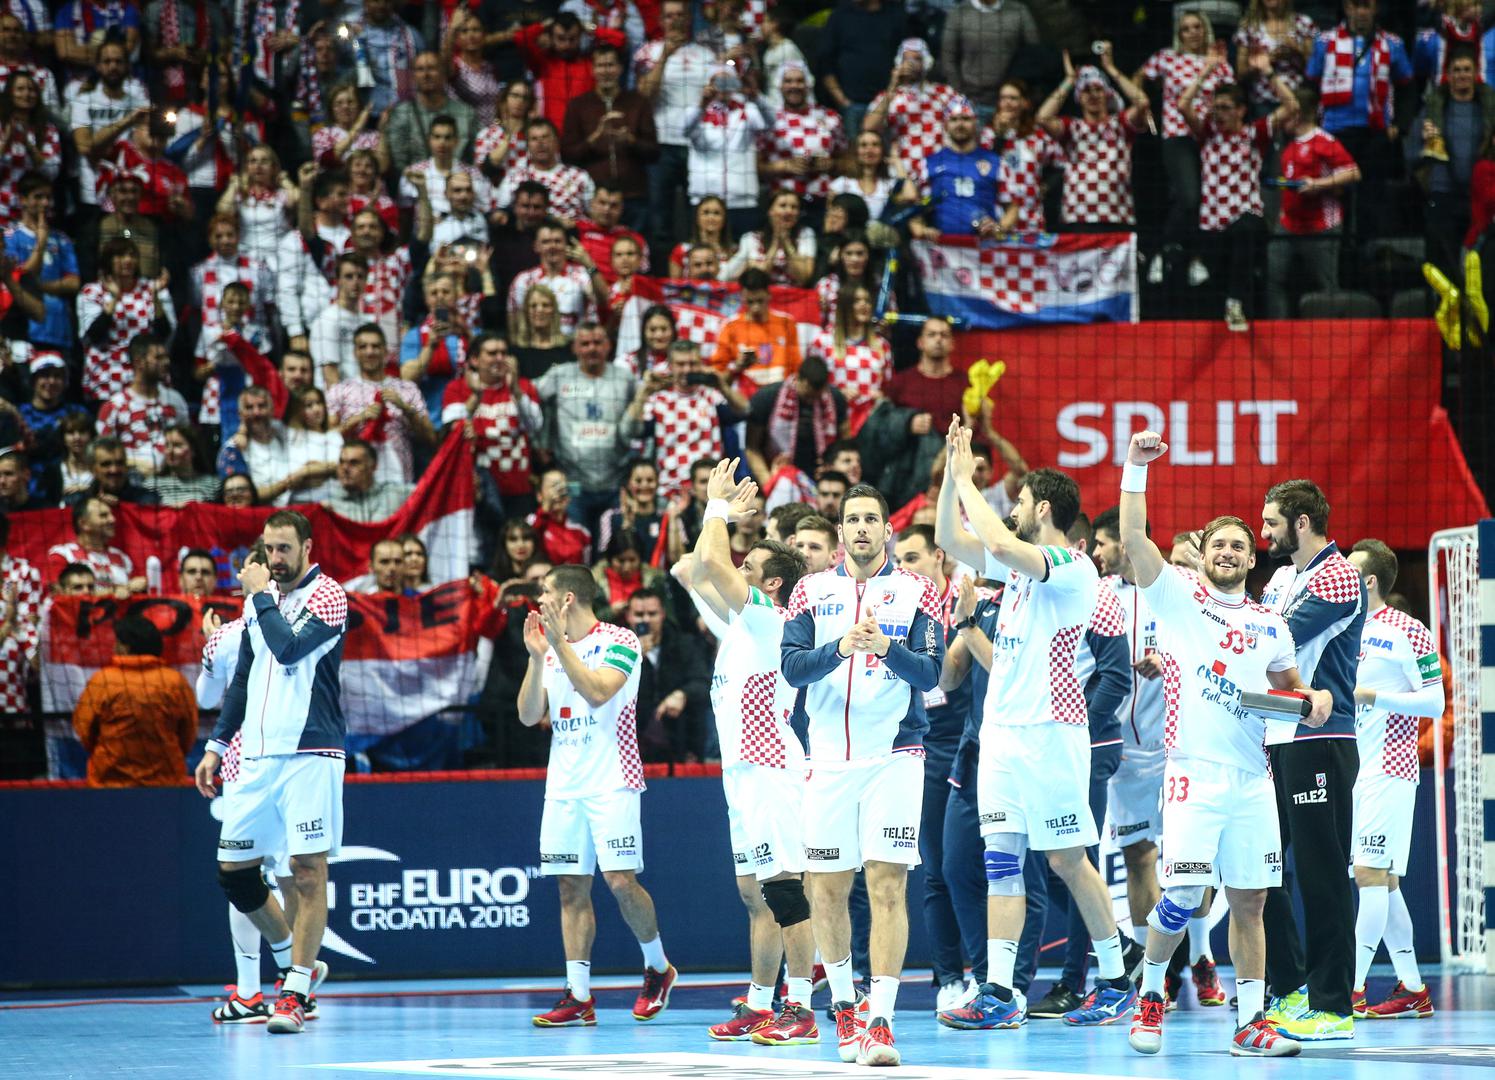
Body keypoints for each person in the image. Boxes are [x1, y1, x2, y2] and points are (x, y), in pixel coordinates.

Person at [1115, 428, 1322, 1059]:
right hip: (1192, 774)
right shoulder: (1179, 599)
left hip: (1253, 778)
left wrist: (1313, 702)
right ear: (1202, 555)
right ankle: (1151, 994)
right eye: (1218, 545)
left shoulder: (1271, 623)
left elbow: (1288, 693)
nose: (1228, 552)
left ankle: (1251, 1022)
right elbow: (1132, 538)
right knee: (1182, 898)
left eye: (1238, 545)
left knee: (1251, 900)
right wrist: (1135, 466)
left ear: (1252, 559)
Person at [935, 420, 1137, 1029]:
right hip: (1001, 733)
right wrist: (950, 474)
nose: (1012, 509)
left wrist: (970, 478)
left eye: (1020, 500)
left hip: (1053, 732)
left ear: (1042, 509)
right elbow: (950, 537)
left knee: (1068, 860)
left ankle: (1116, 980)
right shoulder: (1021, 574)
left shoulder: (1072, 567)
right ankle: (1000, 992)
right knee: (1001, 859)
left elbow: (997, 545)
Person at [779, 482, 944, 1066]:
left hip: (894, 756)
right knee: (825, 888)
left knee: (887, 884)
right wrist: (842, 649)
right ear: (841, 531)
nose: (862, 528)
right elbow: (792, 668)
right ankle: (846, 1005)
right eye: (852, 520)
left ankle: (882, 1020)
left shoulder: (918, 589)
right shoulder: (810, 590)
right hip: (825, 758)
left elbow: (930, 673)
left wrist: (884, 648)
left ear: (887, 530)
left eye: (872, 519)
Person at [676, 460, 817, 1042]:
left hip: (771, 767)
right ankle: (760, 1003)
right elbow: (691, 568)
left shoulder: (767, 617)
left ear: (771, 584)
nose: (738, 568)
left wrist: (717, 508)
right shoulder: (739, 624)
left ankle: (801, 1007)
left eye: (749, 567)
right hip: (741, 771)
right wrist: (722, 520)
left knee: (784, 889)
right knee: (754, 893)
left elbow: (711, 563)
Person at [195, 509, 348, 1034]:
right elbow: (243, 678)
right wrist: (217, 746)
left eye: (284, 548)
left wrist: (259, 595)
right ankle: (292, 964)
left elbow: (287, 650)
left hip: (310, 753)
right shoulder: (259, 602)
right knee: (234, 872)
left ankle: (295, 994)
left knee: (307, 871)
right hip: (255, 757)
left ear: (307, 548)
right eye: (269, 548)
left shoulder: (329, 595)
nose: (274, 559)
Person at [517, 563, 676, 1027]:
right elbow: (527, 716)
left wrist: (559, 646)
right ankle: (579, 995)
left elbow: (599, 692)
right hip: (564, 784)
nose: (538, 601)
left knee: (621, 882)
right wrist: (536, 657)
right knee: (570, 887)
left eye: (545, 592)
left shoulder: (620, 640)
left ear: (567, 598)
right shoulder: (549, 648)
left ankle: (657, 967)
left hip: (613, 779)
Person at [1258, 479, 1366, 1041]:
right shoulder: (1282, 578)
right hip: (1276, 736)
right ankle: (1291, 986)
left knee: (1322, 875)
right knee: (1262, 868)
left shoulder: (1339, 575)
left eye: (1271, 522)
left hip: (1321, 739)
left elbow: (1267, 640)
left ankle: (1333, 1006)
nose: (1263, 533)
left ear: (1301, 523)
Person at [1346, 539, 1442, 1021]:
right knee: (1383, 884)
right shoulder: (1342, 628)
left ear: (1369, 581)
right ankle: (1413, 989)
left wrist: (1373, 697)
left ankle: (1351, 989)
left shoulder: (1409, 630)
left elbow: (1435, 703)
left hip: (1390, 767)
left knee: (1370, 876)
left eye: (1349, 571)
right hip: (1353, 769)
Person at [891, 524, 975, 1011]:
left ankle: (990, 975)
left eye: (912, 558)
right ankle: (948, 978)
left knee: (975, 866)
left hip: (968, 739)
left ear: (939, 556)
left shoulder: (965, 601)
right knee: (937, 868)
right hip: (920, 743)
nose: (903, 568)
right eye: (898, 560)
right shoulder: (896, 609)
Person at [1089, 507, 1172, 995]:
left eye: (1102, 543)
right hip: (1123, 753)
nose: (1096, 552)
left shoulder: (1175, 587)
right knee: (1139, 855)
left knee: (1192, 866)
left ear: (1126, 542)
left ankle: (1199, 955)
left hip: (1178, 746)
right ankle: (1149, 973)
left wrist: (1168, 660)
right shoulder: (1098, 595)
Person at [1180, 61, 1295, 332]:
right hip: (1213, 223)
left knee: (1246, 230)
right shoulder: (1207, 135)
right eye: (1216, 108)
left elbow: (1291, 106)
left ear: (1241, 110)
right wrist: (1206, 73)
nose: (1218, 114)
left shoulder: (1255, 133)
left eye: (1225, 108)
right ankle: (1231, 309)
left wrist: (1268, 73)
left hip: (1246, 214)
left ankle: (1235, 303)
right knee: (1218, 283)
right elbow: (1183, 105)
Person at [1306, 0, 1415, 253]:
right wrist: (1312, 125)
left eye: (1367, 6)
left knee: (1372, 198)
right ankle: (1338, 255)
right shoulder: (1324, 41)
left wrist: (1400, 125)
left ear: (1375, 9)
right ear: (1347, 8)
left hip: (1375, 133)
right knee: (1335, 196)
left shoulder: (1393, 43)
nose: (1362, 12)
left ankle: (1368, 257)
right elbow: (1310, 85)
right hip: (1335, 132)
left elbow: (1408, 88)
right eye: (1356, 6)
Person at [1137, 10, 1225, 287]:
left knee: (1206, 202)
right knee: (1189, 196)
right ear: (1179, 34)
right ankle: (1162, 251)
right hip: (1177, 136)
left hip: (1210, 139)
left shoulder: (1218, 61)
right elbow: (1139, 76)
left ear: (1205, 29)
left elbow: (1230, 96)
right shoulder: (1167, 57)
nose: (1193, 32)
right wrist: (1143, 107)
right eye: (1186, 28)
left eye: (1197, 26)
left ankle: (1196, 258)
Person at [634, 0, 717, 262]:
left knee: (699, 213)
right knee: (660, 215)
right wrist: (666, 56)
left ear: (688, 19)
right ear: (661, 20)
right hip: (662, 144)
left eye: (680, 15)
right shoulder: (648, 51)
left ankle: (700, 265)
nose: (675, 20)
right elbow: (644, 94)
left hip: (698, 145)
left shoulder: (706, 55)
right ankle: (663, 271)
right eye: (669, 16)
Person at [1267, 86, 1361, 318]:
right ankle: (1278, 327)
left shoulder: (1324, 141)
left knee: (1326, 286)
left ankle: (1330, 331)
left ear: (1296, 114)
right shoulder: (1287, 144)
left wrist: (1318, 184)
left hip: (1321, 226)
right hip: (1288, 225)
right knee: (1274, 278)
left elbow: (1354, 172)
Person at [536, 323, 638, 537]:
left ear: (608, 346)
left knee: (616, 547)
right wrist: (540, 442)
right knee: (576, 546)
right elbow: (529, 397)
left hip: (615, 483)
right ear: (574, 347)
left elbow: (640, 417)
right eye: (585, 344)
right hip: (572, 486)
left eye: (598, 343)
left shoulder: (625, 378)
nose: (592, 348)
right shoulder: (559, 375)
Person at [73, 614, 197, 788]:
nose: (113, 647)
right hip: (167, 783)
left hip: (108, 784)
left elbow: (84, 730)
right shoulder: (175, 682)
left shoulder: (102, 681)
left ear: (125, 647)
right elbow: (188, 733)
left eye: (117, 642)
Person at [1036, 49, 1151, 232]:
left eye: (1098, 89)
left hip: (1117, 217)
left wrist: (1111, 69)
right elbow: (1042, 117)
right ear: (1079, 98)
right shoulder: (1071, 127)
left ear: (1107, 94)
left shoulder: (1121, 123)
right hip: (1076, 217)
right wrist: (1070, 80)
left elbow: (1142, 102)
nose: (1093, 95)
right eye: (1086, 90)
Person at [441, 331, 543, 531]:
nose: (499, 358)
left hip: (518, 489)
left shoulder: (523, 386)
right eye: (492, 353)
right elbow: (450, 431)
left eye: (504, 353)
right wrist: (476, 395)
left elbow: (535, 425)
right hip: (480, 490)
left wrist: (515, 390)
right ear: (474, 359)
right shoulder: (457, 388)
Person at [628, 339, 747, 497]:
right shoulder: (658, 400)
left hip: (709, 489)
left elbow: (745, 411)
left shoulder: (712, 396)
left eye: (693, 364)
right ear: (670, 366)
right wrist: (644, 391)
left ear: (701, 365)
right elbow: (633, 430)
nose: (687, 369)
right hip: (670, 490)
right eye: (681, 364)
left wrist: (722, 385)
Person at [326, 323, 435, 485]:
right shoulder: (340, 390)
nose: (370, 352)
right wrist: (358, 419)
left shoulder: (407, 388)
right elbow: (326, 438)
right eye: (363, 347)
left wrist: (406, 408)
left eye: (375, 346)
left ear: (385, 351)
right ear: (355, 352)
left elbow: (430, 438)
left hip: (399, 482)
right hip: (355, 483)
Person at [560, 43, 658, 222]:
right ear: (592, 70)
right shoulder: (578, 106)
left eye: (610, 65)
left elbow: (654, 153)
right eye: (600, 65)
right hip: (593, 197)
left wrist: (630, 140)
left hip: (633, 196)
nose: (605, 71)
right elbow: (567, 154)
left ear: (620, 68)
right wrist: (594, 138)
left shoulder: (638, 103)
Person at [683, 64, 770, 239]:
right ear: (708, 84)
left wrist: (756, 96)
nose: (722, 87)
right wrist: (702, 104)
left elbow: (772, 123)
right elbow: (684, 130)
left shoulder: (749, 109)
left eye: (728, 81)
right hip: (705, 202)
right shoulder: (695, 111)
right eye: (717, 82)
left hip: (743, 201)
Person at [5, 172, 79, 355]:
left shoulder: (62, 239)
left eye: (48, 197)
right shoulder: (9, 237)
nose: (45, 203)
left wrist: (40, 285)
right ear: (22, 200)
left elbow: (74, 282)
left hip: (59, 328)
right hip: (26, 329)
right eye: (38, 197)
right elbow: (21, 279)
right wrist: (41, 241)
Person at [908, 101, 1005, 241]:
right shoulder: (929, 163)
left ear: (975, 123)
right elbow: (914, 204)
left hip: (984, 247)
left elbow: (1013, 207)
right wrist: (921, 228)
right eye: (954, 119)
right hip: (941, 247)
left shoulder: (995, 161)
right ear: (946, 125)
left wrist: (997, 229)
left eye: (965, 118)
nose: (960, 124)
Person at [745, 354, 848, 483]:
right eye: (807, 396)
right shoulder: (766, 398)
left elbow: (845, 443)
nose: (810, 401)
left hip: (822, 476)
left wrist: (835, 475)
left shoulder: (835, 399)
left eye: (815, 397)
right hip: (776, 473)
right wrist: (769, 484)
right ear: (798, 378)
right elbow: (752, 448)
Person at [96, 333, 189, 476]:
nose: (166, 362)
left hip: (171, 479)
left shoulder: (175, 400)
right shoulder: (115, 406)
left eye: (166, 357)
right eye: (158, 358)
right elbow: (103, 453)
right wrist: (138, 465)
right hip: (132, 479)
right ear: (139, 362)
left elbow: (188, 442)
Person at [757, 62, 844, 215]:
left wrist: (832, 165)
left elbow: (849, 162)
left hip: (822, 200)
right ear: (779, 86)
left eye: (799, 81)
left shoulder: (830, 117)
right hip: (783, 203)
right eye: (788, 81)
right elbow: (756, 167)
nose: (794, 86)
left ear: (808, 84)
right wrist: (784, 166)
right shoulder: (768, 119)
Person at [815, 0, 907, 139]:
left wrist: (893, 94)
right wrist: (842, 100)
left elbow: (906, 56)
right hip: (852, 104)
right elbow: (825, 62)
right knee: (854, 150)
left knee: (888, 150)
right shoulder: (841, 15)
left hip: (888, 103)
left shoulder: (895, 15)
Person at [937, 0, 1038, 121]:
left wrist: (1017, 93)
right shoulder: (959, 13)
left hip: (1009, 102)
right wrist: (961, 95)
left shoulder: (1018, 11)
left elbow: (1034, 54)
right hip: (970, 100)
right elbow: (948, 59)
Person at [710, 268, 803, 395]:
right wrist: (736, 367)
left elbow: (796, 370)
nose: (755, 308)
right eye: (750, 302)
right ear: (742, 297)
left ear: (769, 295)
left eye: (760, 301)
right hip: (744, 400)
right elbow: (718, 380)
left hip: (782, 397)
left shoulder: (787, 324)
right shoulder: (730, 327)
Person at [507, 220, 605, 339]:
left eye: (557, 241)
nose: (552, 246)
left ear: (566, 245)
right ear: (536, 246)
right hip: (536, 346)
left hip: (575, 345)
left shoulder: (582, 275)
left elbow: (603, 301)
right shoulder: (523, 280)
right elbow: (514, 322)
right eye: (546, 242)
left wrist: (589, 265)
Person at [384, 51, 476, 177]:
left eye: (432, 68)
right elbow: (399, 163)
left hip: (458, 181)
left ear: (443, 73)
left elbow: (474, 158)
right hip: (415, 181)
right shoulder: (401, 114)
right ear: (413, 76)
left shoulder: (466, 113)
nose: (426, 74)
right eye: (420, 69)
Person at [47, 494, 142, 594]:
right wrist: (116, 591)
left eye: (111, 515)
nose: (112, 519)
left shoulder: (121, 557)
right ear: (84, 524)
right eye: (103, 515)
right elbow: (58, 594)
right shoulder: (62, 554)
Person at [324, 439, 414, 523]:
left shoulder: (395, 493)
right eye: (341, 462)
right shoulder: (329, 506)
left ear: (373, 466)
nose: (345, 468)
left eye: (354, 463)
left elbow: (422, 492)